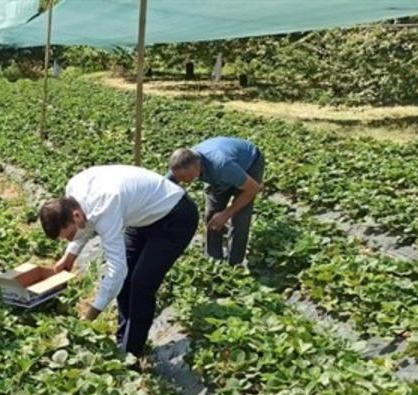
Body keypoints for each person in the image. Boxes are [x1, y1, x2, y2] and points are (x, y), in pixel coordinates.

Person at [39, 165, 199, 358]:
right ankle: (123, 341)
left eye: (70, 235)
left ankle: (131, 356)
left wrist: (92, 313)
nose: (70, 239)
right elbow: (85, 224)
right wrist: (69, 255)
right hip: (141, 216)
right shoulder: (73, 192)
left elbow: (117, 270)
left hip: (176, 216)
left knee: (141, 284)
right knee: (126, 283)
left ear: (75, 215)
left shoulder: (106, 204)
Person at [167, 137, 264, 265]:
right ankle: (213, 260)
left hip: (248, 163)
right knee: (212, 215)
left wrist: (226, 213)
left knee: (240, 217)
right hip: (220, 174)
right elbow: (165, 187)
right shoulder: (181, 165)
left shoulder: (222, 166)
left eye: (185, 177)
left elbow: (253, 189)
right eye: (179, 177)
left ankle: (234, 263)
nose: (182, 181)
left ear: (196, 167)